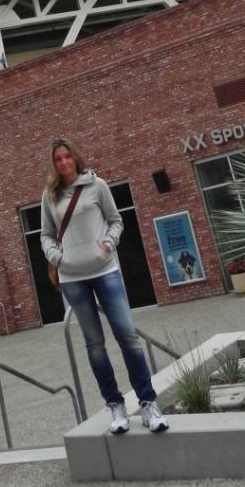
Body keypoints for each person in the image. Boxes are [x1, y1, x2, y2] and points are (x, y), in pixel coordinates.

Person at [40, 137, 169, 434]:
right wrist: (56, 258)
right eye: (57, 159)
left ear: (75, 157)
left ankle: (148, 404)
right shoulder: (50, 195)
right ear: (54, 164)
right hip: (72, 278)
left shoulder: (97, 185)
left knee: (128, 336)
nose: (63, 163)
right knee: (95, 346)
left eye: (66, 157)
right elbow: (46, 235)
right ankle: (116, 406)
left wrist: (108, 245)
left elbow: (116, 220)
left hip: (105, 270)